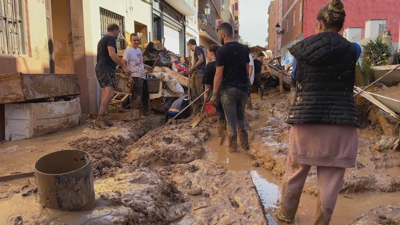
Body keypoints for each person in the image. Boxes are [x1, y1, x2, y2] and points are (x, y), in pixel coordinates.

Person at [277, 0, 362, 224]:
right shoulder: (354, 49)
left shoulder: (300, 50)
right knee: (331, 183)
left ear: (318, 24)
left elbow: (296, 79)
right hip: (342, 123)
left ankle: (285, 218)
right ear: (342, 25)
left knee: (295, 174)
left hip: (306, 121)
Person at [210, 22, 249, 152]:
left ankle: (233, 148)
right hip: (243, 89)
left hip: (228, 91)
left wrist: (215, 93)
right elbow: (248, 69)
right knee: (240, 118)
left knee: (230, 120)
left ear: (223, 35)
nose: (219, 38)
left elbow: (219, 74)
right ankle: (245, 145)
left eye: (219, 35)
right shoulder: (244, 48)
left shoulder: (222, 51)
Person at [94, 23, 132, 128]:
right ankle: (100, 118)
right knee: (110, 94)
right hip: (106, 69)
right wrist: (124, 66)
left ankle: (104, 118)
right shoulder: (111, 39)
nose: (118, 34)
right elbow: (112, 54)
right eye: (119, 32)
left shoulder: (102, 40)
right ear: (115, 31)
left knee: (104, 95)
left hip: (100, 69)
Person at [123, 33, 147, 115]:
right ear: (130, 41)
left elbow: (140, 62)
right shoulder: (128, 51)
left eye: (137, 40)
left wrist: (146, 67)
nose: (136, 42)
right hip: (135, 76)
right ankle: (134, 114)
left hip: (141, 75)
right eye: (134, 40)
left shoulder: (139, 50)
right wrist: (129, 76)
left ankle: (142, 113)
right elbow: (123, 64)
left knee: (143, 95)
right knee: (136, 96)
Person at [203, 45, 225, 137]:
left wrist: (206, 94)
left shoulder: (210, 66)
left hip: (216, 92)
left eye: (207, 53)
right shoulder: (224, 64)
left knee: (220, 113)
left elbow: (207, 82)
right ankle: (229, 132)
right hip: (227, 91)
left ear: (212, 54)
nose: (207, 55)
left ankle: (221, 134)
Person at [187, 39, 206, 112]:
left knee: (200, 91)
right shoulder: (195, 51)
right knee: (193, 89)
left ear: (190, 45)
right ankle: (196, 109)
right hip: (196, 72)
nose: (189, 48)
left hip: (200, 72)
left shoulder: (198, 48)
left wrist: (192, 69)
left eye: (189, 46)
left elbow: (201, 60)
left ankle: (204, 109)